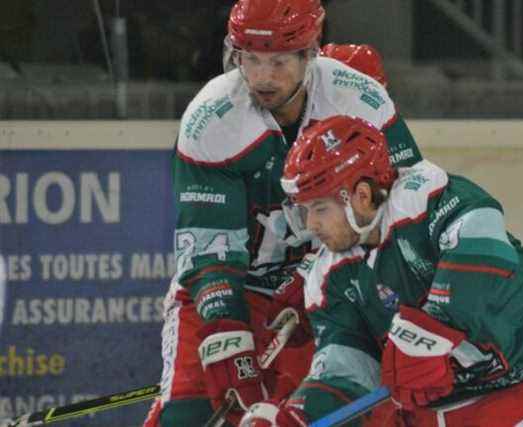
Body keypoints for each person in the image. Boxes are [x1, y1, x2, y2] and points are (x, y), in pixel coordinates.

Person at [143, 0, 423, 425]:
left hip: (332, 287)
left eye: (278, 62)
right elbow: (208, 248)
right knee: (189, 415)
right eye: (250, 60)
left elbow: (403, 211)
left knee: (320, 412)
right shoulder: (211, 119)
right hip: (239, 285)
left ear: (309, 53)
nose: (262, 77)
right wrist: (225, 335)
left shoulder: (360, 99)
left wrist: (323, 269)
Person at [240, 116, 523, 426]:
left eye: (319, 208)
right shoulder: (328, 276)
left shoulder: (421, 195)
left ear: (362, 196)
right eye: (303, 210)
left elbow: (483, 245)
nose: (310, 225)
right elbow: (346, 369)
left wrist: (431, 329)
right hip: (463, 394)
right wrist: (297, 416)